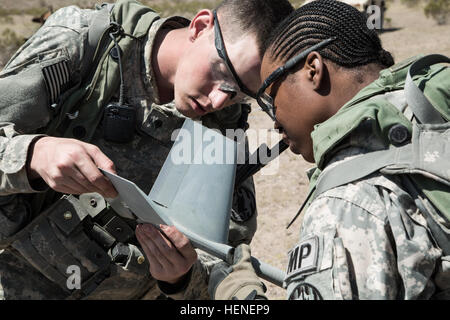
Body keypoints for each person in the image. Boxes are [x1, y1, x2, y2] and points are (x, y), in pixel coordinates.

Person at [0, 0, 294, 299]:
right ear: (200, 26)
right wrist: (31, 155)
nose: (219, 100)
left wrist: (179, 278)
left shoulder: (223, 127)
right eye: (222, 72)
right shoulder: (83, 44)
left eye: (240, 93)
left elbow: (222, 257)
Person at [204, 0, 450, 300]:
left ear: (313, 70)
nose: (275, 125)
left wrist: (240, 297)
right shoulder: (433, 103)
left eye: (270, 102)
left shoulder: (346, 202)